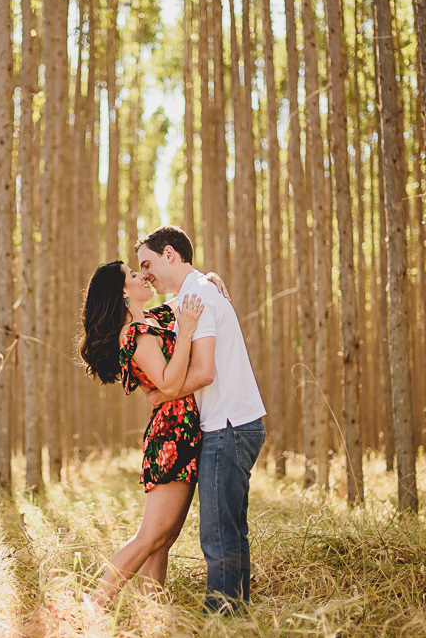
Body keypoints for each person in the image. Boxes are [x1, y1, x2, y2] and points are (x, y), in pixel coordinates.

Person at [136, 225, 267, 614]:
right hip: (236, 423)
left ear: (170, 254)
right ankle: (236, 614)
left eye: (148, 264)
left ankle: (221, 618)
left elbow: (205, 371)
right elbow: (141, 319)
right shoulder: (193, 293)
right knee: (231, 529)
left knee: (218, 533)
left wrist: (162, 394)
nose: (145, 274)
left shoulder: (198, 294)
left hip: (227, 426)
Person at [79, 260, 205, 608]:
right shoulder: (135, 334)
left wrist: (208, 279)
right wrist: (187, 333)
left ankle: (152, 615)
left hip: (180, 429)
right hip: (173, 436)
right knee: (150, 536)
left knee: (163, 539)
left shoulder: (150, 320)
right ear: (123, 292)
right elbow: (168, 383)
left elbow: (183, 301)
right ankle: (93, 606)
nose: (143, 277)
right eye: (134, 275)